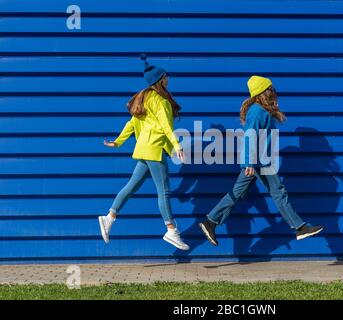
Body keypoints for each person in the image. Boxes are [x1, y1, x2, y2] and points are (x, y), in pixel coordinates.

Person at [198, 76, 324, 246]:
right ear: (264, 92)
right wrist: (248, 162)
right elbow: (249, 137)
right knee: (279, 192)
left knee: (238, 193)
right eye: (270, 88)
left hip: (260, 159)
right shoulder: (257, 111)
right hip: (259, 160)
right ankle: (299, 227)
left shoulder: (262, 111)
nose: (274, 91)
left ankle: (210, 221)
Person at [98, 54, 189, 250]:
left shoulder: (144, 98)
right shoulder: (161, 101)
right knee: (163, 191)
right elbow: (166, 126)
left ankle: (109, 218)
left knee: (131, 186)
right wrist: (178, 146)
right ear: (160, 80)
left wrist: (119, 142)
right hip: (154, 149)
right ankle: (171, 229)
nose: (168, 79)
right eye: (166, 76)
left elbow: (132, 123)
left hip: (143, 149)